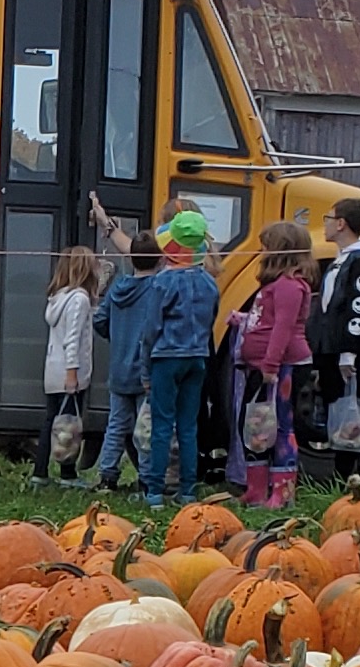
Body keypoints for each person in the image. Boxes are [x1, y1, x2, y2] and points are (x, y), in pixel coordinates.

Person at [303, 196, 360, 480]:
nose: (326, 225)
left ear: (341, 224)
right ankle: (342, 474)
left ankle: (349, 475)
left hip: (344, 352)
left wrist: (349, 353)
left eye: (328, 219)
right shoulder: (344, 259)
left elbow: (359, 310)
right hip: (329, 348)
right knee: (335, 407)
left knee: (347, 412)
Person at [141, 211, 223, 505]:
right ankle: (187, 490)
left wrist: (145, 370)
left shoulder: (161, 283)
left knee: (162, 426)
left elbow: (150, 329)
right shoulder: (210, 283)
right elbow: (211, 320)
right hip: (197, 358)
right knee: (189, 426)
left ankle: (154, 491)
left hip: (166, 358)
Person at [231, 220, 315, 506]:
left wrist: (270, 365)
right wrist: (243, 321)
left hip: (282, 368)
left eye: (267, 247)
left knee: (280, 426)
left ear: (280, 250)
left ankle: (283, 491)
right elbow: (266, 320)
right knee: (255, 425)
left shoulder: (290, 286)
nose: (262, 252)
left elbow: (283, 327)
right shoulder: (274, 285)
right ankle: (256, 488)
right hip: (261, 368)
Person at [88, 214, 161, 493]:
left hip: (119, 368)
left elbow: (99, 321)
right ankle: (145, 477)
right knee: (145, 428)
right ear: (159, 260)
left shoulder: (118, 288)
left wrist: (116, 336)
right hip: (146, 371)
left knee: (116, 425)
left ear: (131, 260)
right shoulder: (157, 288)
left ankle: (107, 475)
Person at [36, 246, 104, 485]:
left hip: (53, 368)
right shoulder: (80, 299)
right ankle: (67, 473)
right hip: (69, 371)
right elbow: (73, 338)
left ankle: (40, 472)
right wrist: (73, 374)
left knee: (51, 421)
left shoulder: (58, 297)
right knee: (69, 426)